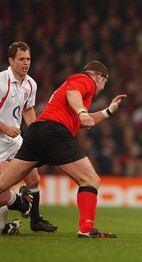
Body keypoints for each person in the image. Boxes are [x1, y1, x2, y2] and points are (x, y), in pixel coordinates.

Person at [0, 60, 127, 238]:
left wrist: (108, 111)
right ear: (99, 77)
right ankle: (86, 229)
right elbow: (73, 94)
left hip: (37, 131)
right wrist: (82, 112)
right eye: (105, 82)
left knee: (2, 184)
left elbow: (80, 121)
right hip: (54, 133)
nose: (103, 88)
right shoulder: (85, 80)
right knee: (90, 179)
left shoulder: (74, 94)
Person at [0, 41, 57, 232]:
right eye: (21, 59)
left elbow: (28, 108)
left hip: (15, 141)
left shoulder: (31, 84)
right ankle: (24, 205)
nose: (26, 63)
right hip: (0, 144)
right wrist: (5, 128)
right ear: (11, 60)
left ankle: (35, 220)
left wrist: (35, 133)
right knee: (2, 194)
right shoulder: (1, 82)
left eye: (28, 59)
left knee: (33, 178)